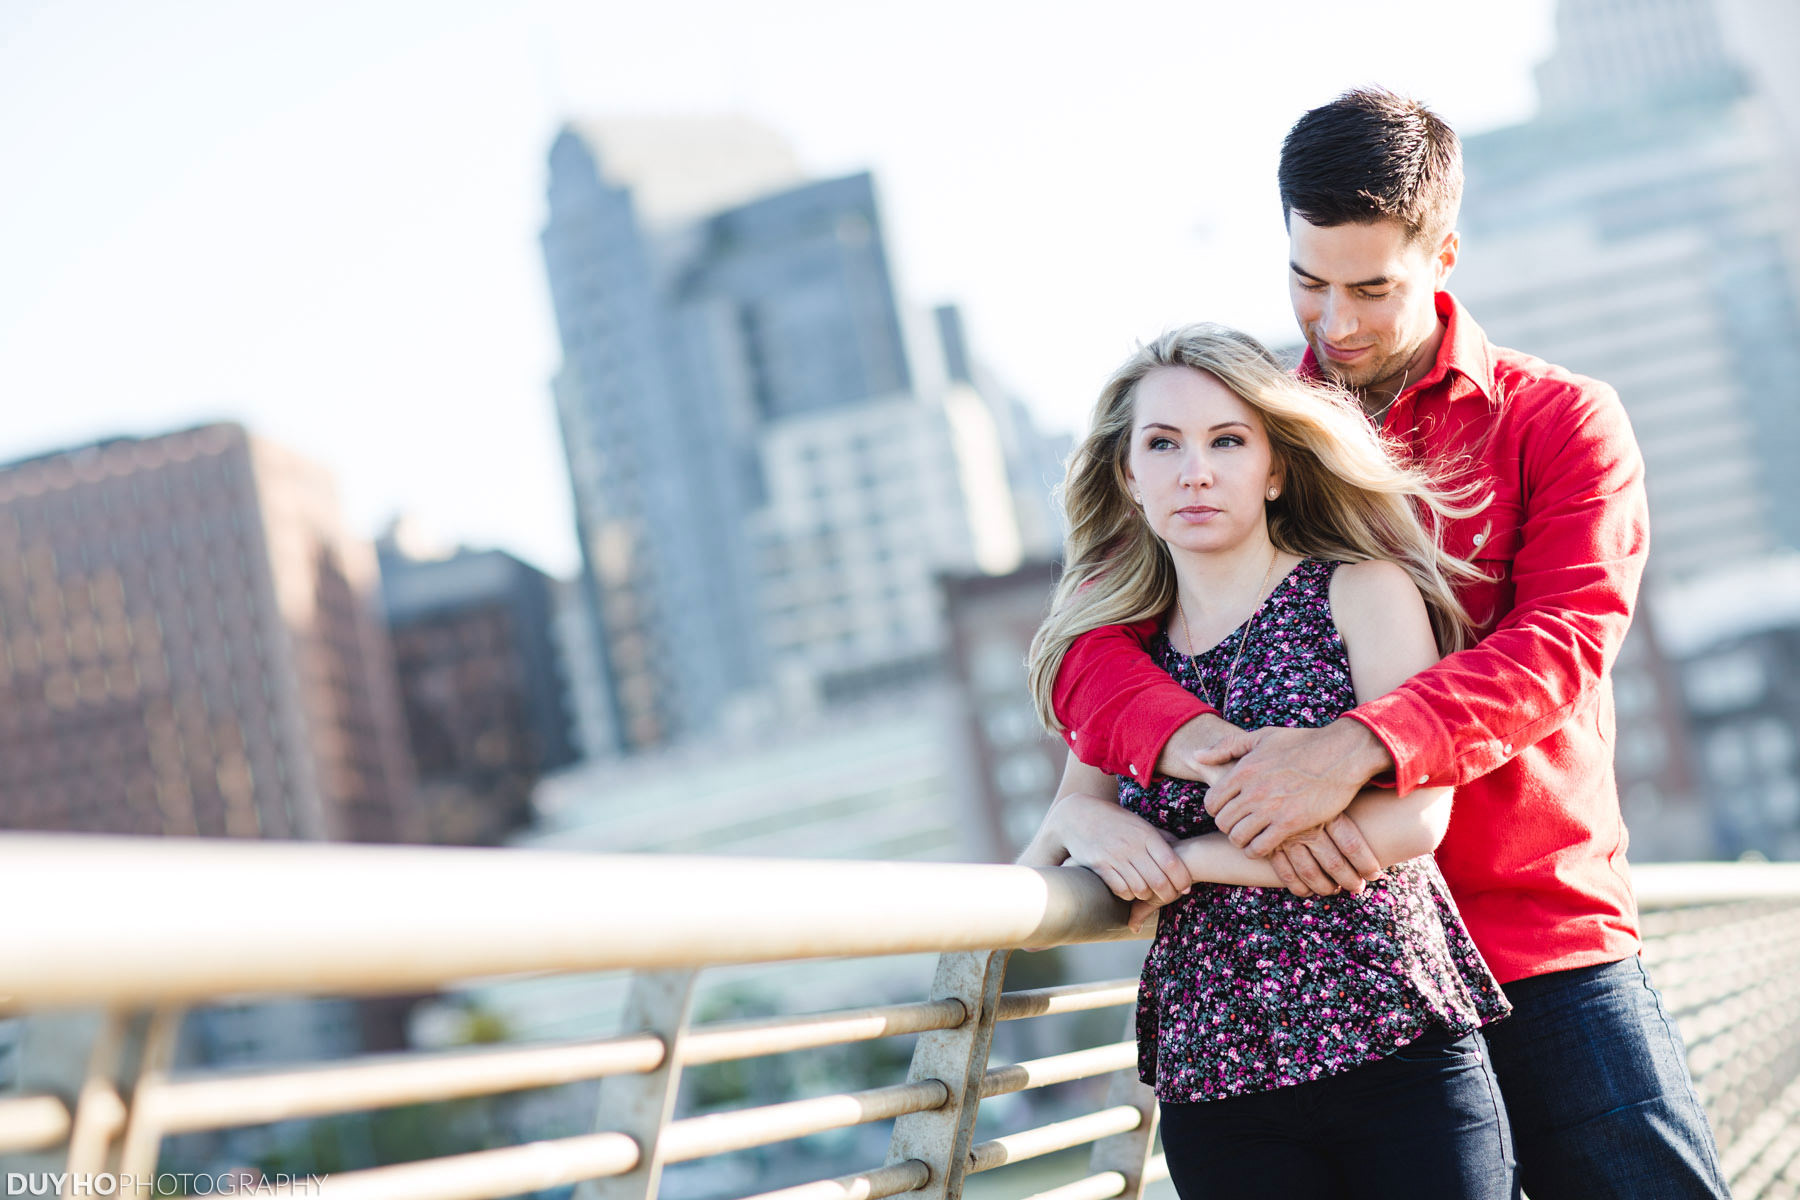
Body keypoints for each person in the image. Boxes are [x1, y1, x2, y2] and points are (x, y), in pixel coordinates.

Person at [1049, 88, 1730, 1199]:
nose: (1336, 324)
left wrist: (1360, 747)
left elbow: (1564, 642)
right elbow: (1089, 639)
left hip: (1538, 934)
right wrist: (1187, 752)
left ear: (1445, 254)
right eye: (1307, 283)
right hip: (1352, 980)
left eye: (1372, 288)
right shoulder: (1247, 423)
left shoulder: (1563, 420)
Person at [1018, 323, 1514, 1197]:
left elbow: (1413, 820)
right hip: (1217, 1074)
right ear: (1129, 478)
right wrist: (1078, 817)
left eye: (1228, 441)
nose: (1194, 471)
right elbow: (1063, 830)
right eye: (1162, 444)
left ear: (1277, 467)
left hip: (1394, 1038)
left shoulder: (1361, 588)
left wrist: (1187, 861)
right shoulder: (1119, 656)